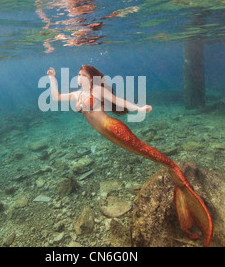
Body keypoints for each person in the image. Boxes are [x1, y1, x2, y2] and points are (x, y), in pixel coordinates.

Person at [47, 65, 213, 246]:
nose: (79, 78)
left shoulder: (97, 90)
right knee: (147, 153)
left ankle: (178, 177)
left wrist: (140, 109)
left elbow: (120, 102)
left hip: (113, 129)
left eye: (83, 75)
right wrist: (52, 78)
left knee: (148, 151)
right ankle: (177, 177)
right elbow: (56, 97)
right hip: (107, 133)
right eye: (78, 75)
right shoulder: (78, 94)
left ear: (92, 78)